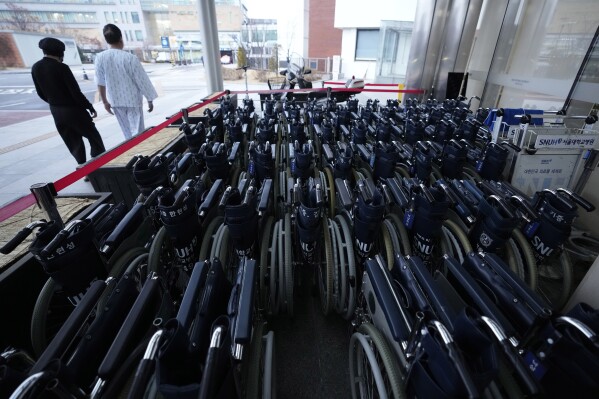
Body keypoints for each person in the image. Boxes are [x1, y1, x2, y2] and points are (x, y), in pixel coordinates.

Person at [31, 37, 106, 167]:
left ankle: (83, 168)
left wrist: (54, 102)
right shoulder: (62, 68)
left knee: (73, 141)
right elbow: (75, 92)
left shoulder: (36, 67)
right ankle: (98, 164)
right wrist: (89, 107)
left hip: (56, 111)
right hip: (73, 110)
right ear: (61, 53)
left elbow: (40, 93)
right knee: (93, 136)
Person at [95, 24, 158, 140]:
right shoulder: (129, 58)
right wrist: (149, 99)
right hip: (132, 100)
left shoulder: (100, 58)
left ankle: (130, 150)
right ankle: (139, 152)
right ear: (120, 38)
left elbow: (100, 82)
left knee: (127, 132)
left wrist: (105, 102)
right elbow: (142, 80)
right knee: (137, 131)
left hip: (115, 100)